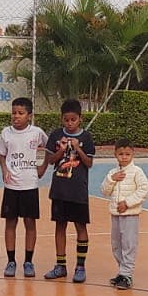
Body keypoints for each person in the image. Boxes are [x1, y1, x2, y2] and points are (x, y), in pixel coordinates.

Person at [43, 99, 95, 283]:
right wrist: (62, 149)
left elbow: (88, 163)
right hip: (60, 190)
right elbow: (51, 161)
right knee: (60, 226)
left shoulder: (86, 138)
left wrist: (78, 149)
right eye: (66, 120)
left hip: (78, 191)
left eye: (73, 119)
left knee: (80, 226)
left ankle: (80, 266)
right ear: (62, 119)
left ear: (80, 119)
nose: (70, 123)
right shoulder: (56, 135)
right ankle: (60, 265)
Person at [0, 96, 49, 277]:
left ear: (29, 116)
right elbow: (2, 156)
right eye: (13, 113)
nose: (16, 116)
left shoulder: (37, 132)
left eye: (20, 113)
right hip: (12, 186)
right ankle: (11, 261)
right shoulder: (6, 133)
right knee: (10, 223)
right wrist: (4, 171)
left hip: (30, 184)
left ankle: (28, 261)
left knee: (29, 223)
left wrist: (43, 166)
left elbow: (50, 148)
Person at [101, 139, 148, 290]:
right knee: (116, 244)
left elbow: (143, 189)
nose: (124, 157)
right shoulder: (112, 173)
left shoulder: (137, 172)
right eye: (121, 154)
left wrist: (127, 203)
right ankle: (122, 272)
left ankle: (127, 274)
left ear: (133, 154)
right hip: (115, 214)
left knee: (129, 244)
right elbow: (104, 190)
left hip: (130, 214)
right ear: (115, 154)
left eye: (127, 154)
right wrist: (111, 180)